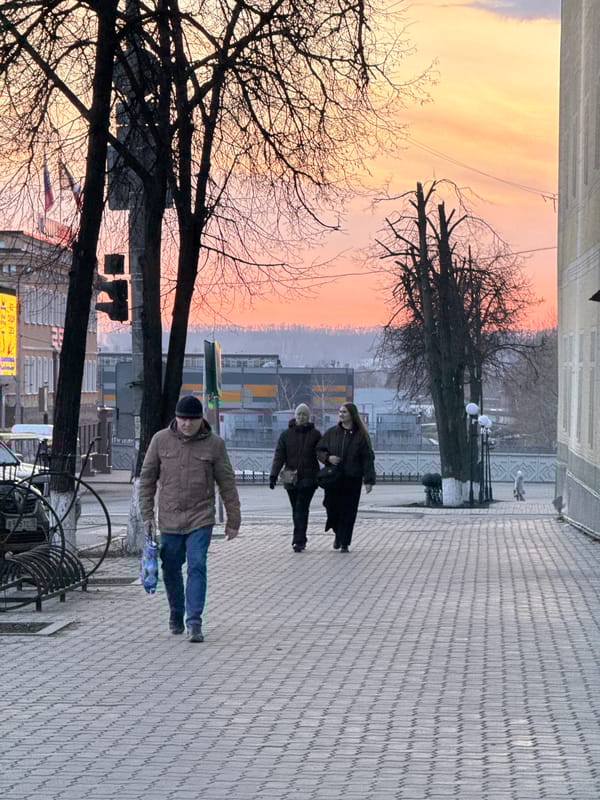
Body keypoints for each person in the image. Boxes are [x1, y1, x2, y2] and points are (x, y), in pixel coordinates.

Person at [139, 395, 241, 643]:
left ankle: (194, 621)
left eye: (191, 420)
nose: (186, 424)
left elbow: (227, 482)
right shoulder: (160, 440)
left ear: (200, 420)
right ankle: (176, 611)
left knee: (197, 565)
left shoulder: (214, 445)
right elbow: (147, 479)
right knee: (171, 568)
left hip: (200, 518)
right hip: (170, 518)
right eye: (182, 419)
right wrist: (147, 515)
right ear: (176, 418)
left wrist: (233, 519)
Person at [317, 402, 375, 553]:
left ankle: (344, 542)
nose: (341, 414)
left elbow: (367, 458)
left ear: (352, 415)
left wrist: (369, 480)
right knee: (331, 507)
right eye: (340, 412)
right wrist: (328, 458)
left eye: (344, 412)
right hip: (334, 479)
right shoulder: (332, 433)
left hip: (352, 479)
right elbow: (319, 450)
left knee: (349, 512)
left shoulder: (361, 436)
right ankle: (338, 533)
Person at [269, 403, 321, 552]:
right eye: (299, 414)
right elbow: (279, 456)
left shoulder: (315, 435)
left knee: (301, 507)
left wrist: (329, 464)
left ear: (308, 417)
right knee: (296, 509)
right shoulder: (286, 435)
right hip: (290, 477)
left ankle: (298, 540)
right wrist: (273, 475)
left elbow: (322, 452)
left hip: (309, 478)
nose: (301, 417)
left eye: (304, 415)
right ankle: (300, 538)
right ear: (295, 416)